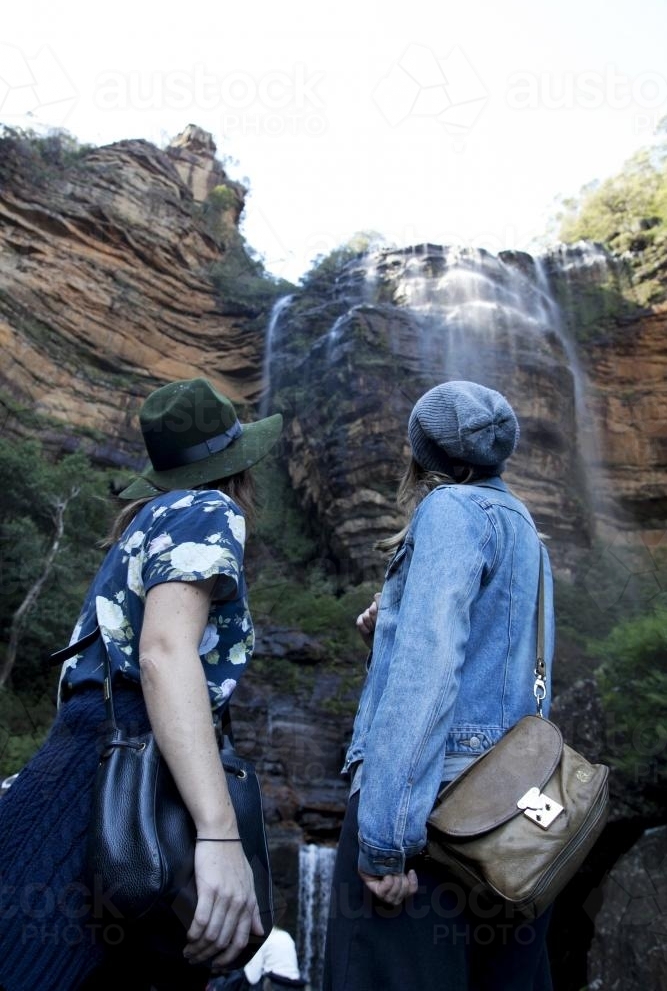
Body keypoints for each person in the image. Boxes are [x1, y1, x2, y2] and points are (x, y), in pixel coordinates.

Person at [0, 377, 283, 991]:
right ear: (237, 469)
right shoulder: (210, 509)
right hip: (119, 772)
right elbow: (163, 654)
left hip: (75, 765)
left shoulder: (148, 523)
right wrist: (218, 833)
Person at [323, 380, 555, 991]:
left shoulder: (450, 511)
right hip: (510, 824)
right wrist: (390, 636)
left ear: (419, 453)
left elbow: (429, 673)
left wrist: (388, 840)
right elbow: (509, 669)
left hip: (433, 819)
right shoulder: (523, 526)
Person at [208, 926, 306, 991]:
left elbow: (252, 977)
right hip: (296, 985)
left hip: (275, 985)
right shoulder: (285, 935)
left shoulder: (263, 939)